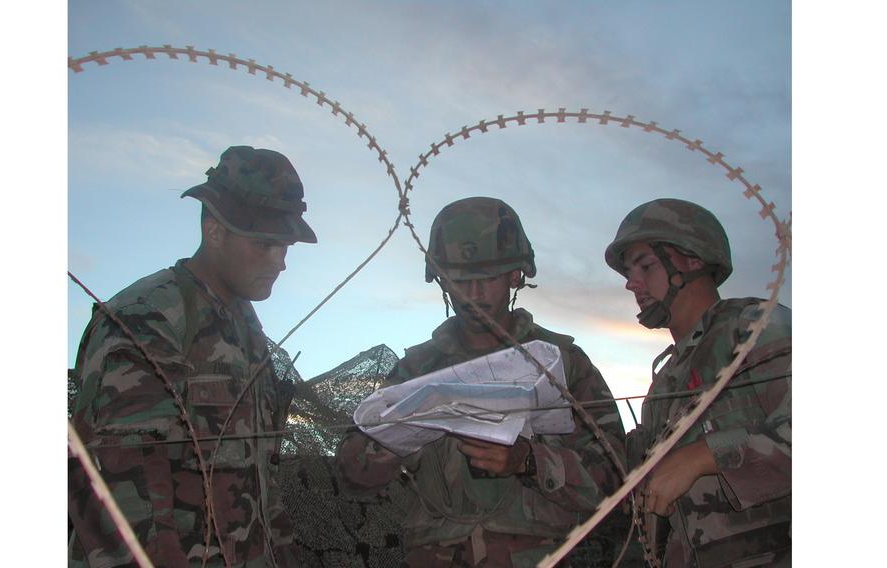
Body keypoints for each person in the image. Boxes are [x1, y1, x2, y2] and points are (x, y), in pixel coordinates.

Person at [336, 197, 626, 568]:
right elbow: (351, 477)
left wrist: (530, 462)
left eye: (487, 278)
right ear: (442, 280)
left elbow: (618, 475)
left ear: (515, 276)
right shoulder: (416, 370)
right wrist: (395, 442)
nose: (472, 295)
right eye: (460, 280)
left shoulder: (561, 363)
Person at [68, 146, 317, 567]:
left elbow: (257, 478)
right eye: (264, 245)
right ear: (214, 231)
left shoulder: (247, 329)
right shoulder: (147, 318)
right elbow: (120, 497)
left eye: (285, 246)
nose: (280, 262)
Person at [604, 198, 791, 567]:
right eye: (629, 271)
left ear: (693, 260)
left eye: (645, 265)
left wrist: (705, 455)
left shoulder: (755, 327)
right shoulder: (665, 380)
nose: (631, 283)